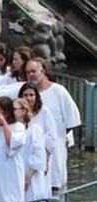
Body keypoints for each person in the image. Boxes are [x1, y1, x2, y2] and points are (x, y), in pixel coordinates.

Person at [24, 58, 81, 189]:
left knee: (55, 186)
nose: (31, 75)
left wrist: (57, 139)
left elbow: (72, 120)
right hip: (32, 154)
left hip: (55, 151)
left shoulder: (59, 91)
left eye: (33, 71)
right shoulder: (26, 94)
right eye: (27, 72)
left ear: (43, 71)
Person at [18, 83, 55, 199]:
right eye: (25, 95)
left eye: (31, 95)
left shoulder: (45, 112)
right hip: (23, 156)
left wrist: (46, 159)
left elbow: (51, 138)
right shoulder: (17, 114)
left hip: (39, 158)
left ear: (36, 96)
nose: (28, 98)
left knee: (37, 188)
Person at [13, 98, 50, 201]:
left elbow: (39, 157)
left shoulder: (34, 130)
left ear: (23, 111)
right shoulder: (11, 130)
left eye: (14, 109)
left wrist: (27, 177)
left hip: (31, 179)